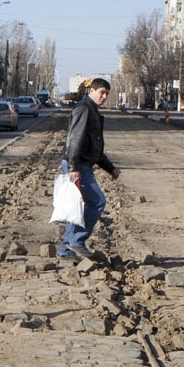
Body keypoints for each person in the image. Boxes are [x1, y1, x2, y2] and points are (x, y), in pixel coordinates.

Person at [57, 77, 120, 260]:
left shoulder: (92, 111)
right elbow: (74, 139)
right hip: (78, 165)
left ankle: (66, 249)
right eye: (101, 92)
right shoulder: (84, 109)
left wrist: (110, 168)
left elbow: (94, 147)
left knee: (79, 207)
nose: (104, 96)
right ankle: (75, 241)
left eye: (106, 93)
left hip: (83, 163)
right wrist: (73, 166)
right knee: (96, 201)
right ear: (91, 91)